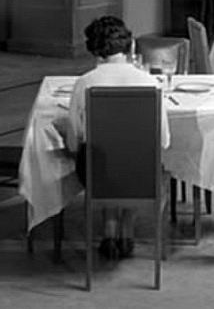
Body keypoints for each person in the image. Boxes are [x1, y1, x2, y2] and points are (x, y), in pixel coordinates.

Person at [65, 15, 170, 260]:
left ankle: (110, 229)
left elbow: (73, 141)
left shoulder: (84, 83)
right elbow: (163, 140)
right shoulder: (151, 83)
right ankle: (127, 229)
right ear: (130, 45)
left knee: (102, 157)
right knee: (133, 158)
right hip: (139, 172)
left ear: (94, 50)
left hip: (97, 173)